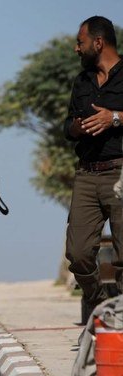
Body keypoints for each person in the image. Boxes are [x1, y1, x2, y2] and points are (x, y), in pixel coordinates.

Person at [65, 16, 123, 325]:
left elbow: (115, 118)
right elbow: (67, 126)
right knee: (78, 253)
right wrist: (75, 127)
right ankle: (101, 306)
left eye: (81, 42)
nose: (77, 48)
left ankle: (121, 325)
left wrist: (113, 118)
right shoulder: (82, 81)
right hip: (87, 173)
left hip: (120, 173)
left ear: (98, 43)